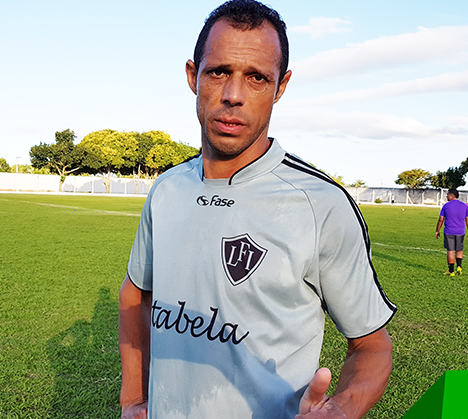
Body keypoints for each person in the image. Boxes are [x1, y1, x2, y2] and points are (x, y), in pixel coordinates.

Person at [119, 1, 396, 418]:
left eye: (256, 78)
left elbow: (371, 345)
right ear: (194, 76)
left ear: (280, 87)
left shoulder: (320, 204)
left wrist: (342, 408)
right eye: (219, 72)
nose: (233, 96)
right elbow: (136, 294)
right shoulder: (167, 189)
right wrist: (133, 399)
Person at [435, 189, 468, 277]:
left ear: (451, 195)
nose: (446, 196)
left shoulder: (446, 206)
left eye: (447, 195)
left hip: (449, 232)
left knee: (450, 251)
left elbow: (441, 219)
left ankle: (451, 271)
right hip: (460, 232)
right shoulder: (465, 206)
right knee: (459, 250)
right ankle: (459, 267)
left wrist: (437, 230)